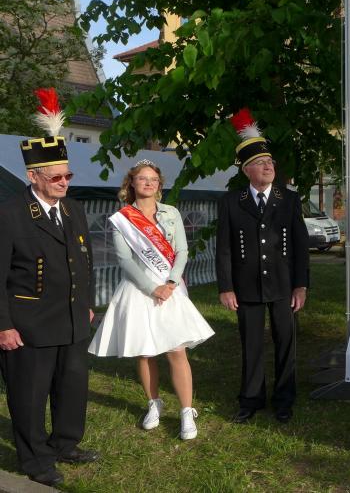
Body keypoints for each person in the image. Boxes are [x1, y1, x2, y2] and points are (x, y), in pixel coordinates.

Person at [0, 89, 98, 487]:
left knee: (72, 386)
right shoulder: (10, 214)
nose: (64, 182)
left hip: (72, 318)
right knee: (29, 395)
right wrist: (3, 325)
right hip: (29, 324)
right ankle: (36, 460)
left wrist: (87, 303)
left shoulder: (74, 209)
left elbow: (86, 260)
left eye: (68, 175)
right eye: (56, 177)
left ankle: (65, 444)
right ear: (33, 176)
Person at [88, 159, 214, 440]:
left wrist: (170, 283)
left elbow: (182, 251)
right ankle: (153, 403)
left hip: (170, 288)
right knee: (145, 352)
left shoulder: (171, 213)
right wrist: (151, 288)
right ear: (132, 183)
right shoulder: (122, 218)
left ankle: (186, 411)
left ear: (159, 185)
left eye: (153, 179)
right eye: (142, 178)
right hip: (138, 289)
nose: (148, 183)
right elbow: (124, 260)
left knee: (176, 350)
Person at [216, 108, 309, 424]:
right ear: (247, 170)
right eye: (261, 163)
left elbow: (300, 247)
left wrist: (301, 285)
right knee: (251, 344)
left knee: (286, 342)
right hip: (247, 285)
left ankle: (284, 399)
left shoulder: (289, 200)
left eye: (270, 161)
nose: (268, 166)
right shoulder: (232, 202)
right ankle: (251, 399)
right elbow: (224, 248)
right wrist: (226, 287)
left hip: (283, 284)